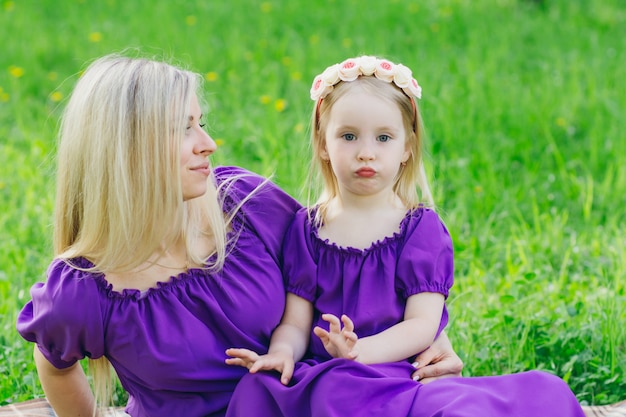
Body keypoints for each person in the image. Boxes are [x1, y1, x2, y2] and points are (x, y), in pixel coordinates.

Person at [14, 53, 462, 417]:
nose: (207, 143)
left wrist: (429, 335)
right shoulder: (85, 287)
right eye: (182, 129)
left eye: (200, 122)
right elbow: (54, 366)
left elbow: (345, 266)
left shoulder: (246, 204)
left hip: (309, 404)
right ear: (126, 151)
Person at [223, 56, 587, 417]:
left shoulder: (418, 228)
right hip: (328, 375)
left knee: (506, 400)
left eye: (384, 137)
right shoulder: (307, 229)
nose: (366, 152)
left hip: (398, 375)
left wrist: (358, 351)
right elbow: (295, 322)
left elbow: (421, 326)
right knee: (258, 389)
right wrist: (282, 353)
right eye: (348, 136)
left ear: (407, 147)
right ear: (322, 143)